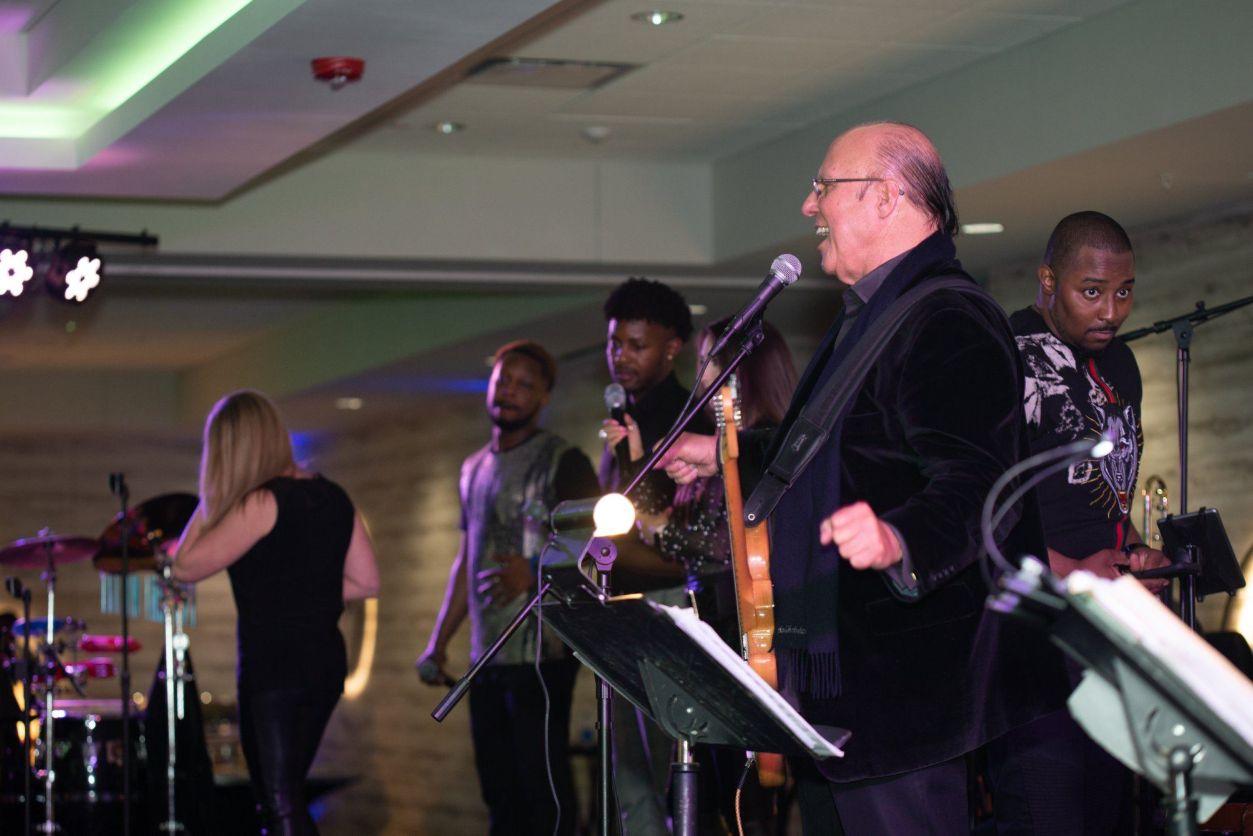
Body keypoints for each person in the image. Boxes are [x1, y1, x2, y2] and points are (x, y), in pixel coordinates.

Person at [658, 121, 1065, 833]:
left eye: (823, 187)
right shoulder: (877, 313)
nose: (809, 205)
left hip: (904, 692)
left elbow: (981, 482)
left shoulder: (947, 316)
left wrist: (899, 539)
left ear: (884, 197)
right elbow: (832, 450)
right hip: (844, 691)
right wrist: (725, 450)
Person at [989, 211, 1170, 834]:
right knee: (1048, 815)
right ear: (1048, 280)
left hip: (1106, 642)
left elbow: (1105, 498)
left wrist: (1137, 553)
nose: (1110, 311)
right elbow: (985, 507)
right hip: (1033, 642)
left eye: (1123, 292)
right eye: (1091, 292)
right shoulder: (1007, 355)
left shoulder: (1122, 365)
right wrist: (1072, 571)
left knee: (1109, 816)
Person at [172, 389, 380, 835]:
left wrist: (211, 499)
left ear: (229, 449)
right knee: (284, 795)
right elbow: (367, 582)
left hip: (273, 669)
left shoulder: (259, 504)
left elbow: (184, 566)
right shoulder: (333, 495)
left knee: (279, 800)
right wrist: (307, 594)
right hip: (325, 665)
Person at [416, 340, 598, 836]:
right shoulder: (471, 469)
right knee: (498, 791)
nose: (510, 392)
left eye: (524, 385)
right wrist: (439, 641)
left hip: (542, 652)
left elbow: (597, 541)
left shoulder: (564, 460)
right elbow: (467, 561)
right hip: (486, 656)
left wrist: (535, 569)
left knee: (543, 790)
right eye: (503, 381)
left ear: (543, 397)